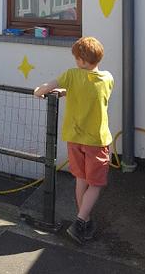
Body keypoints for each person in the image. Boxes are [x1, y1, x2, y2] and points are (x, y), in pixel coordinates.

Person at [34, 36, 113, 244]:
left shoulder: (71, 75)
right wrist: (70, 91)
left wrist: (41, 91)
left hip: (75, 138)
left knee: (81, 180)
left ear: (79, 59)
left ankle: (84, 221)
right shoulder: (107, 79)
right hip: (96, 140)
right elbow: (93, 93)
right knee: (96, 183)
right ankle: (80, 222)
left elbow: (43, 88)